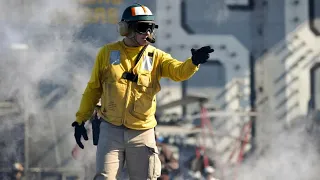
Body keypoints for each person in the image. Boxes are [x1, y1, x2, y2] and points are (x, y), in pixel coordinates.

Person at [71, 3, 214, 180]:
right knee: (104, 177)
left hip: (142, 131)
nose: (148, 33)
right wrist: (80, 120)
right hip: (110, 129)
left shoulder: (156, 57)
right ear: (126, 29)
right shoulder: (106, 54)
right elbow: (93, 89)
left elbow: (178, 72)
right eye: (142, 27)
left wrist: (193, 62)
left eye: (151, 28)